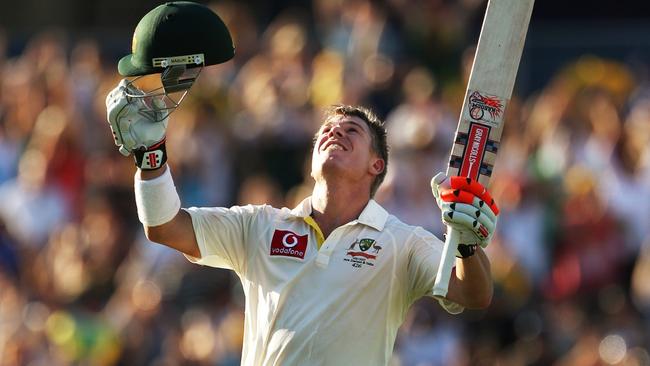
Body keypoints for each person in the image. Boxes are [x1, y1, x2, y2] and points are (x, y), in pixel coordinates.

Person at [106, 2, 498, 365]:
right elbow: (165, 227)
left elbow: (473, 294)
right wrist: (151, 157)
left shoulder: (402, 243)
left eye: (352, 130)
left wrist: (464, 243)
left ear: (377, 165)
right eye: (327, 130)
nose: (334, 132)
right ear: (311, 162)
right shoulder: (259, 226)